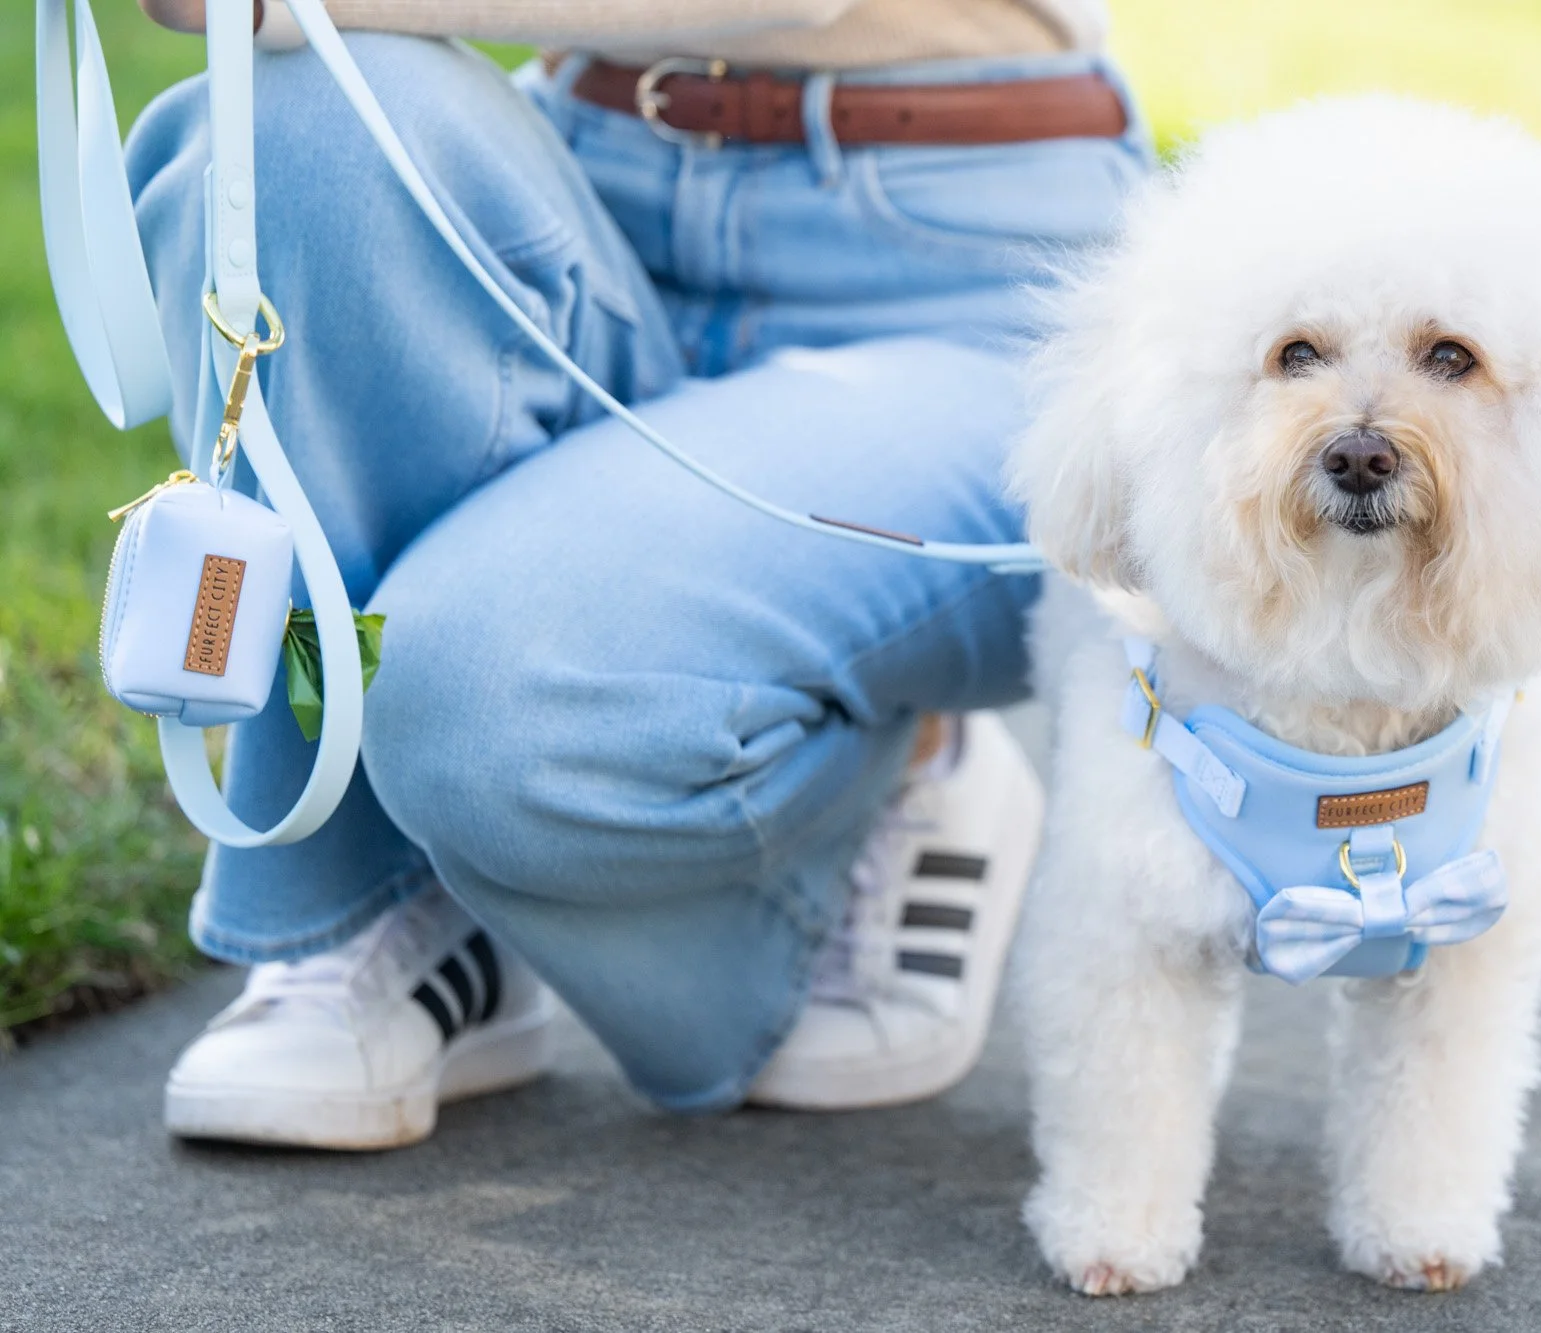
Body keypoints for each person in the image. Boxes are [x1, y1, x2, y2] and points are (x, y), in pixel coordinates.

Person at [129, 0, 1142, 1148]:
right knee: (290, 136)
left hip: (966, 264)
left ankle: (875, 767)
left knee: (485, 705)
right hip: (597, 176)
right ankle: (383, 907)